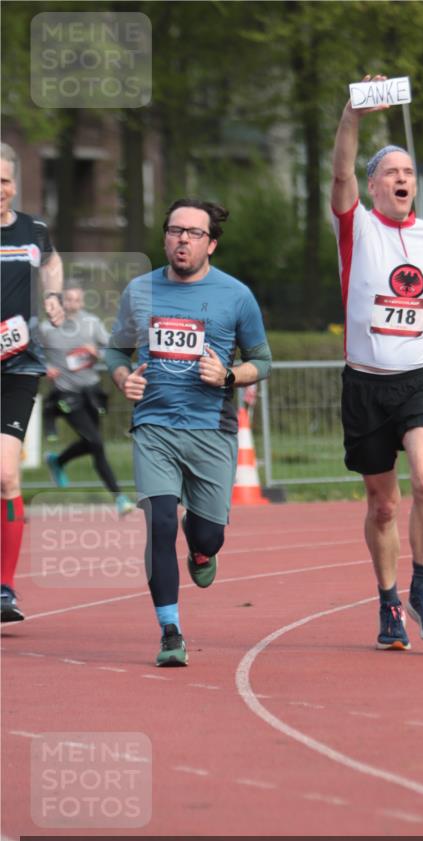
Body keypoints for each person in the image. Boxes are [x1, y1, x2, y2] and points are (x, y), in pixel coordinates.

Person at [330, 77, 423, 651]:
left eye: (409, 173)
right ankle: (389, 602)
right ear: (372, 186)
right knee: (383, 504)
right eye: (390, 172)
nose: (402, 179)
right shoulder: (356, 227)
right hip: (366, 385)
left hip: (421, 377)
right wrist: (354, 111)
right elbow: (340, 172)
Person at [106, 198, 272, 667]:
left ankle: (201, 549)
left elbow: (263, 361)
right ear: (165, 237)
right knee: (158, 523)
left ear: (211, 244)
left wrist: (228, 376)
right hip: (154, 426)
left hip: (212, 430)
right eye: (175, 230)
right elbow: (116, 352)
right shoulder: (139, 291)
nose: (182, 239)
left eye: (193, 233)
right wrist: (124, 379)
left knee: (208, 534)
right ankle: (170, 630)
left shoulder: (236, 296)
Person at [1, 142, 64, 623]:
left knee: (5, 475)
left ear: (15, 183)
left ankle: (4, 588)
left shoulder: (33, 229)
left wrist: (55, 296)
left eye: (5, 179)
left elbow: (52, 261)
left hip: (18, 363)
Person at [39, 282, 134, 515]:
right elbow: (32, 353)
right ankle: (120, 497)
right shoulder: (46, 328)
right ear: (60, 302)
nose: (74, 304)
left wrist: (97, 352)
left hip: (91, 392)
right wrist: (46, 366)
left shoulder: (91, 323)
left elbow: (112, 349)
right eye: (69, 300)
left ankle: (58, 461)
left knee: (94, 445)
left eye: (78, 300)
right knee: (96, 442)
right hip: (66, 394)